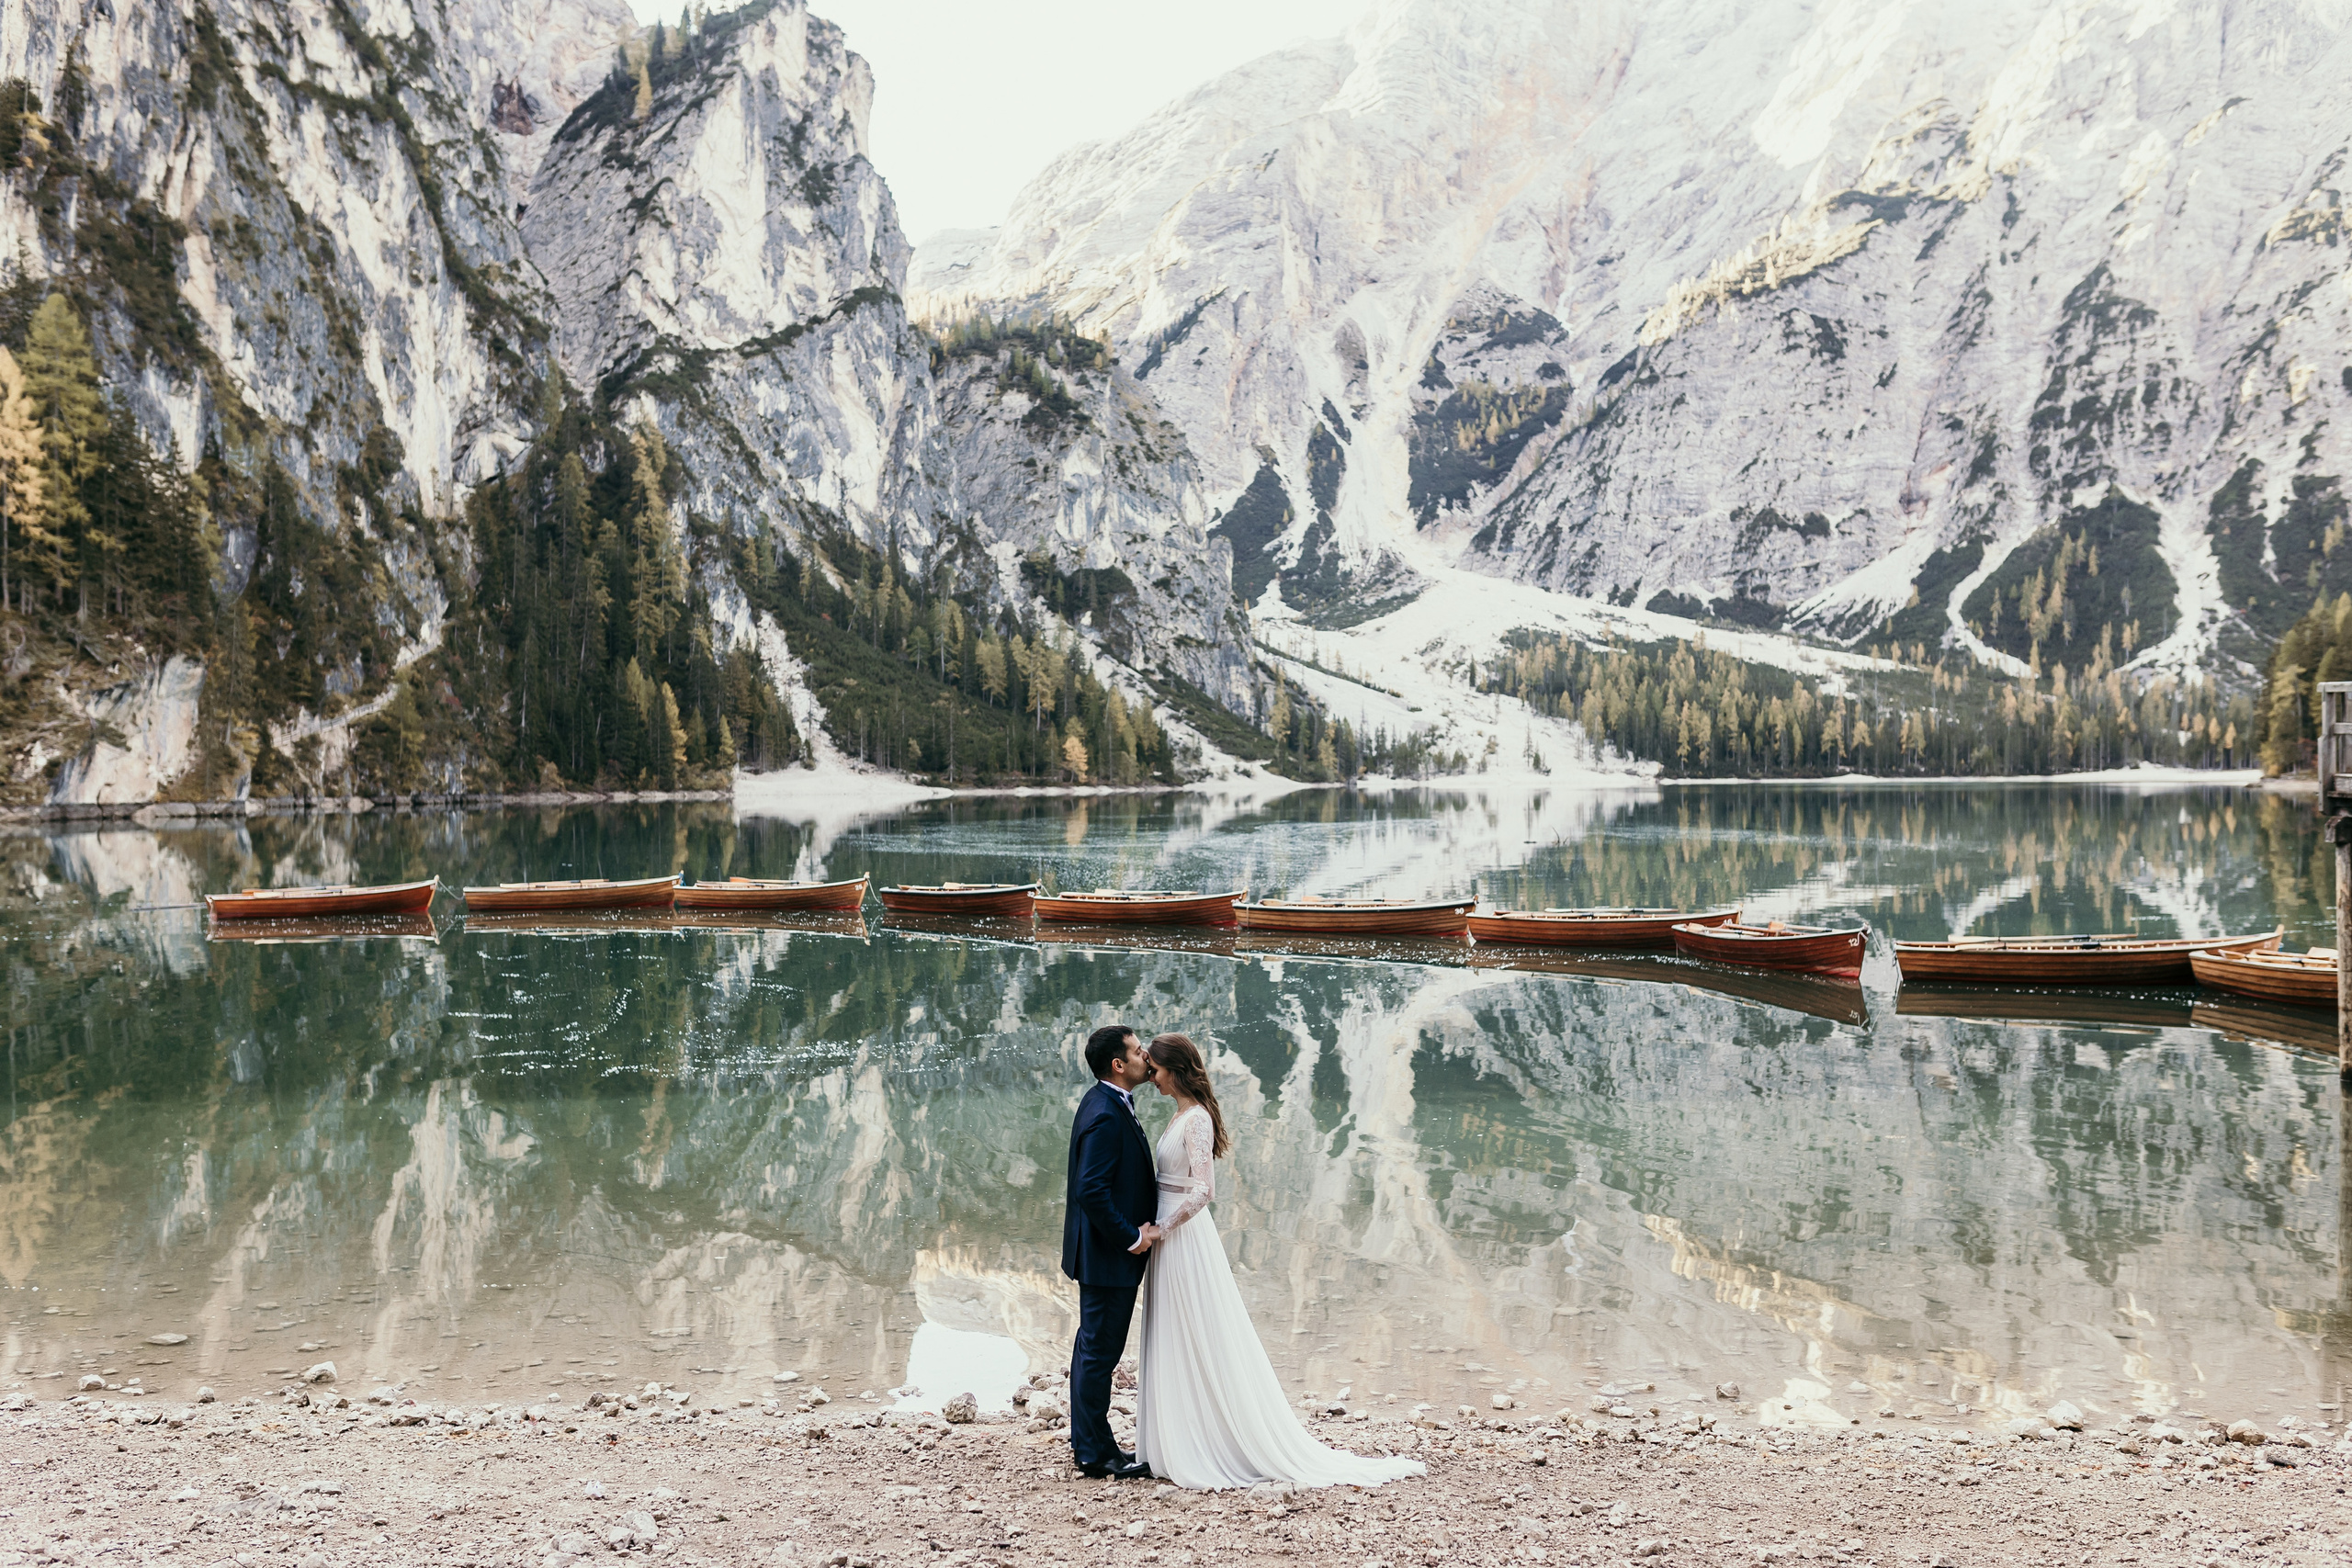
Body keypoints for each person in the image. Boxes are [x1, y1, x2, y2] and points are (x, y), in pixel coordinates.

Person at [1133, 1032, 1426, 1491]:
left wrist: (1161, 1229)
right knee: (1173, 1329)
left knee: (1194, 1330)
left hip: (1182, 1238)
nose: (1151, 1078)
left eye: (1156, 1071)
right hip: (1169, 1234)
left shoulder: (1196, 1120)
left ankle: (1206, 1440)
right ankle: (1176, 1435)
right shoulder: (1182, 1114)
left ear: (1177, 1070)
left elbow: (1204, 1192)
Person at [1060, 1022, 1160, 1479]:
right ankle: (1094, 1454)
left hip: (1102, 1255)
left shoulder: (1106, 1100)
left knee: (1094, 1348)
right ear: (1119, 1065)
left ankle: (1093, 1446)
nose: (1147, 1057)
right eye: (1140, 1051)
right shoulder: (1104, 1111)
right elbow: (1091, 1190)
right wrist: (1132, 1237)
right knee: (1099, 1352)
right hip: (1107, 1255)